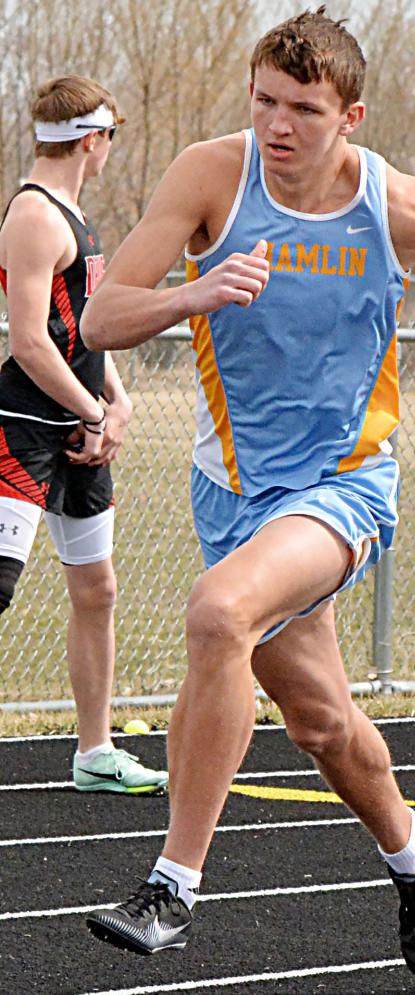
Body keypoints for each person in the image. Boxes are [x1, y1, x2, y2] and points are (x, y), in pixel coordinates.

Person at [81, 7, 415, 978]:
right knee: (320, 722)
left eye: (303, 109)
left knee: (218, 615)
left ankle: (173, 886)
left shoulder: (391, 204)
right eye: (264, 100)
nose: (277, 125)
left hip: (344, 484)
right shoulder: (210, 176)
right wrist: (196, 291)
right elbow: (101, 315)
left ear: (351, 115)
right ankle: (412, 847)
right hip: (230, 490)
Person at [0, 76, 167, 795]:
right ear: (93, 140)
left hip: (79, 432)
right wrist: (93, 413)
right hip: (28, 428)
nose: (109, 152)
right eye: (111, 139)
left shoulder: (74, 211)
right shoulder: (36, 215)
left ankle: (95, 752)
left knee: (96, 589)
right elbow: (32, 342)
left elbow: (87, 328)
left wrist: (116, 400)